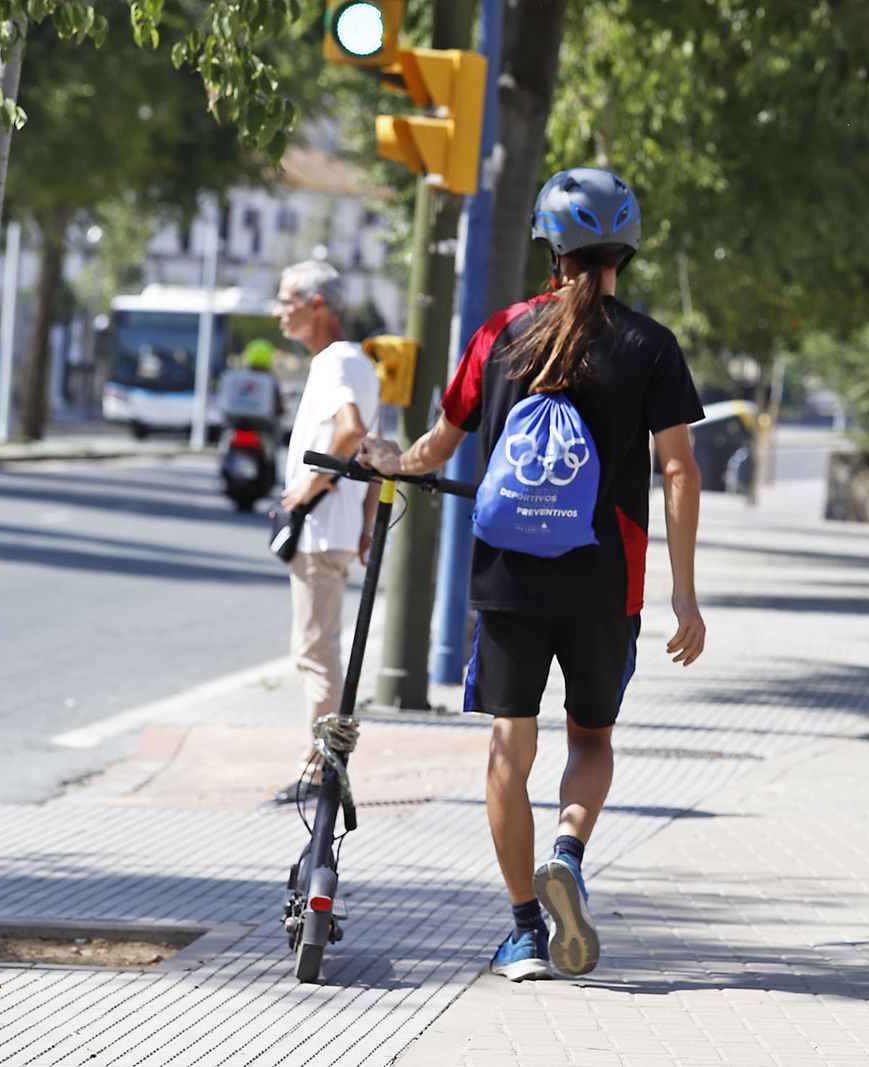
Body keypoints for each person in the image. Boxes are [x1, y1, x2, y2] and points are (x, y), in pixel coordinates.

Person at [358, 167, 707, 983]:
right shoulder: (650, 344)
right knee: (591, 738)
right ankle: (569, 851)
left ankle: (521, 932)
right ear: (627, 248)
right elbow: (680, 470)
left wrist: (385, 467)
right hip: (604, 579)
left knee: (508, 746)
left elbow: (436, 449)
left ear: (551, 248)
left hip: (510, 576)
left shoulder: (501, 333)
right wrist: (683, 595)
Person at [274, 260, 382, 805]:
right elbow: (371, 453)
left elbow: (351, 432)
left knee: (315, 655)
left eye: (287, 299)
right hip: (338, 531)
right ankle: (327, 768)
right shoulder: (360, 361)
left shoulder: (333, 362)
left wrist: (308, 488)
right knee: (323, 650)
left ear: (319, 304)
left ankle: (320, 773)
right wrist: (364, 526)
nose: (279, 311)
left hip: (319, 533)